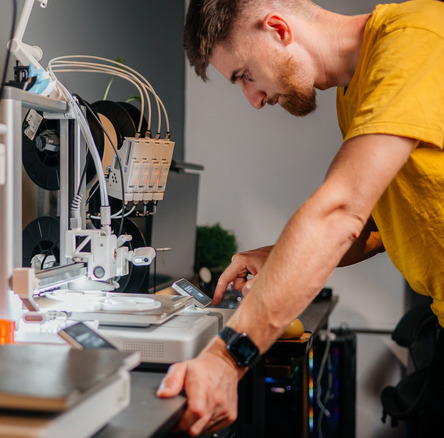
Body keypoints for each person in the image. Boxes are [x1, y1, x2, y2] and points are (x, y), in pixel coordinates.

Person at [156, 0, 444, 435]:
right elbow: (381, 225)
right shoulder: (352, 94)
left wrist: (225, 357)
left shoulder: (416, 39)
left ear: (278, 28)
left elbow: (340, 210)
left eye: (244, 75)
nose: (252, 99)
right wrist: (278, 257)